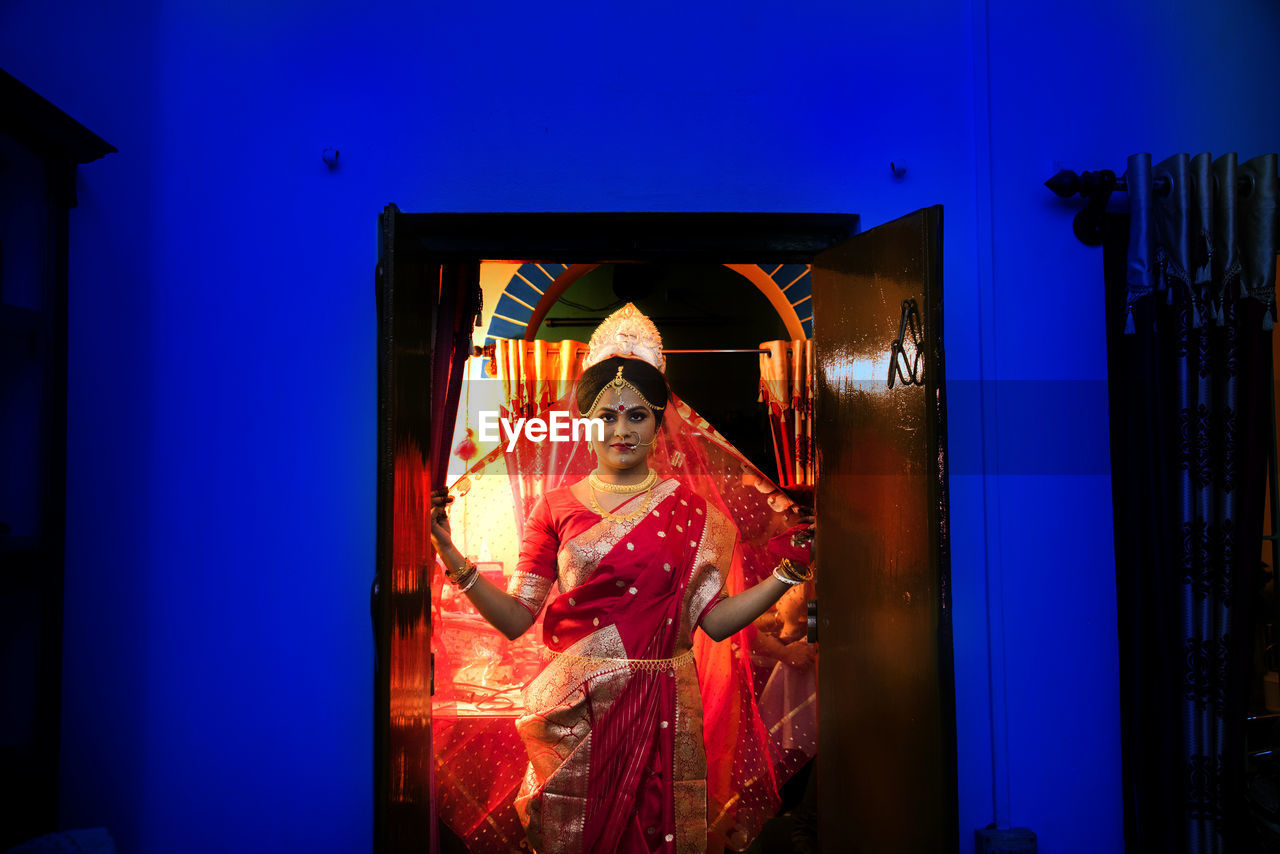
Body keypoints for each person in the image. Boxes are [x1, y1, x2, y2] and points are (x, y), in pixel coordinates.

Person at [429, 304, 814, 854]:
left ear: (660, 425)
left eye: (637, 415)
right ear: (585, 425)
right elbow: (517, 618)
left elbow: (718, 622)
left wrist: (789, 572)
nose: (621, 430)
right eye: (607, 416)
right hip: (576, 711)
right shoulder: (553, 508)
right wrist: (452, 555)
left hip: (662, 707)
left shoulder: (690, 511)